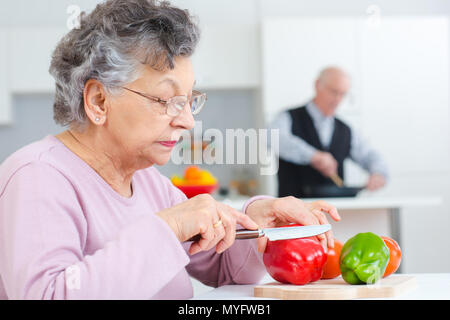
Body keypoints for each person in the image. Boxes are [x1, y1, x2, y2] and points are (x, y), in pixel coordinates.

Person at [0, 0, 340, 299]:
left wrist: (257, 221)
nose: (188, 121)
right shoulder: (37, 177)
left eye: (190, 100)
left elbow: (223, 269)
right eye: (168, 100)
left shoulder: (149, 182)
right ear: (99, 101)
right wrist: (167, 228)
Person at [270, 66, 389, 198]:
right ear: (317, 85)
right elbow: (273, 138)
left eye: (343, 94)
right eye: (334, 92)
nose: (338, 99)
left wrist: (379, 173)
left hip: (335, 211)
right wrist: (313, 156)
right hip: (293, 210)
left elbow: (368, 155)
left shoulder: (345, 129)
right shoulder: (288, 117)